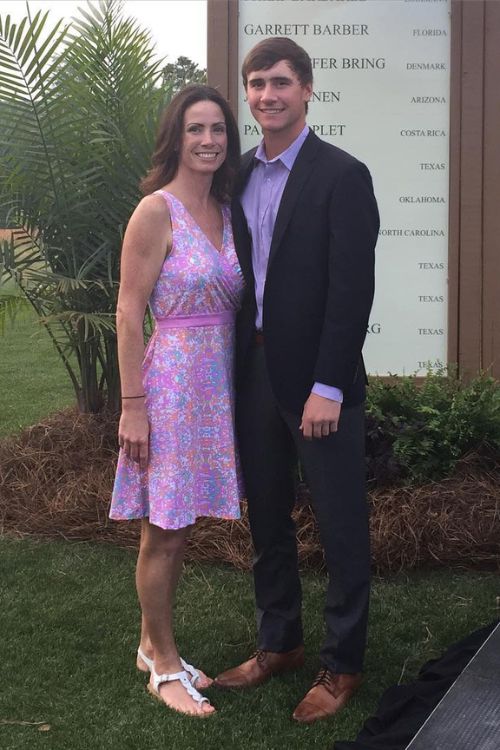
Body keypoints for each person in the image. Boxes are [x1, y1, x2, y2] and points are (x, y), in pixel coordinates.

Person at [214, 38, 379, 724]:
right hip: (252, 375)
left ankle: (342, 666)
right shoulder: (238, 173)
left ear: (308, 90)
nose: (266, 95)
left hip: (317, 384)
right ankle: (278, 643)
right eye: (256, 84)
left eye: (281, 82)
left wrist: (329, 386)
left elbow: (351, 292)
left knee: (341, 525)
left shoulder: (342, 175)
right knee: (268, 521)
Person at [109, 84, 243, 717]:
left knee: (179, 527)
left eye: (218, 128)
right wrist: (132, 403)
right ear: (177, 137)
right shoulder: (154, 211)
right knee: (161, 532)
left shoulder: (226, 207)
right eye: (196, 129)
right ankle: (163, 668)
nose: (209, 140)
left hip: (214, 393)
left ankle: (147, 642)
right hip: (167, 392)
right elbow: (128, 311)